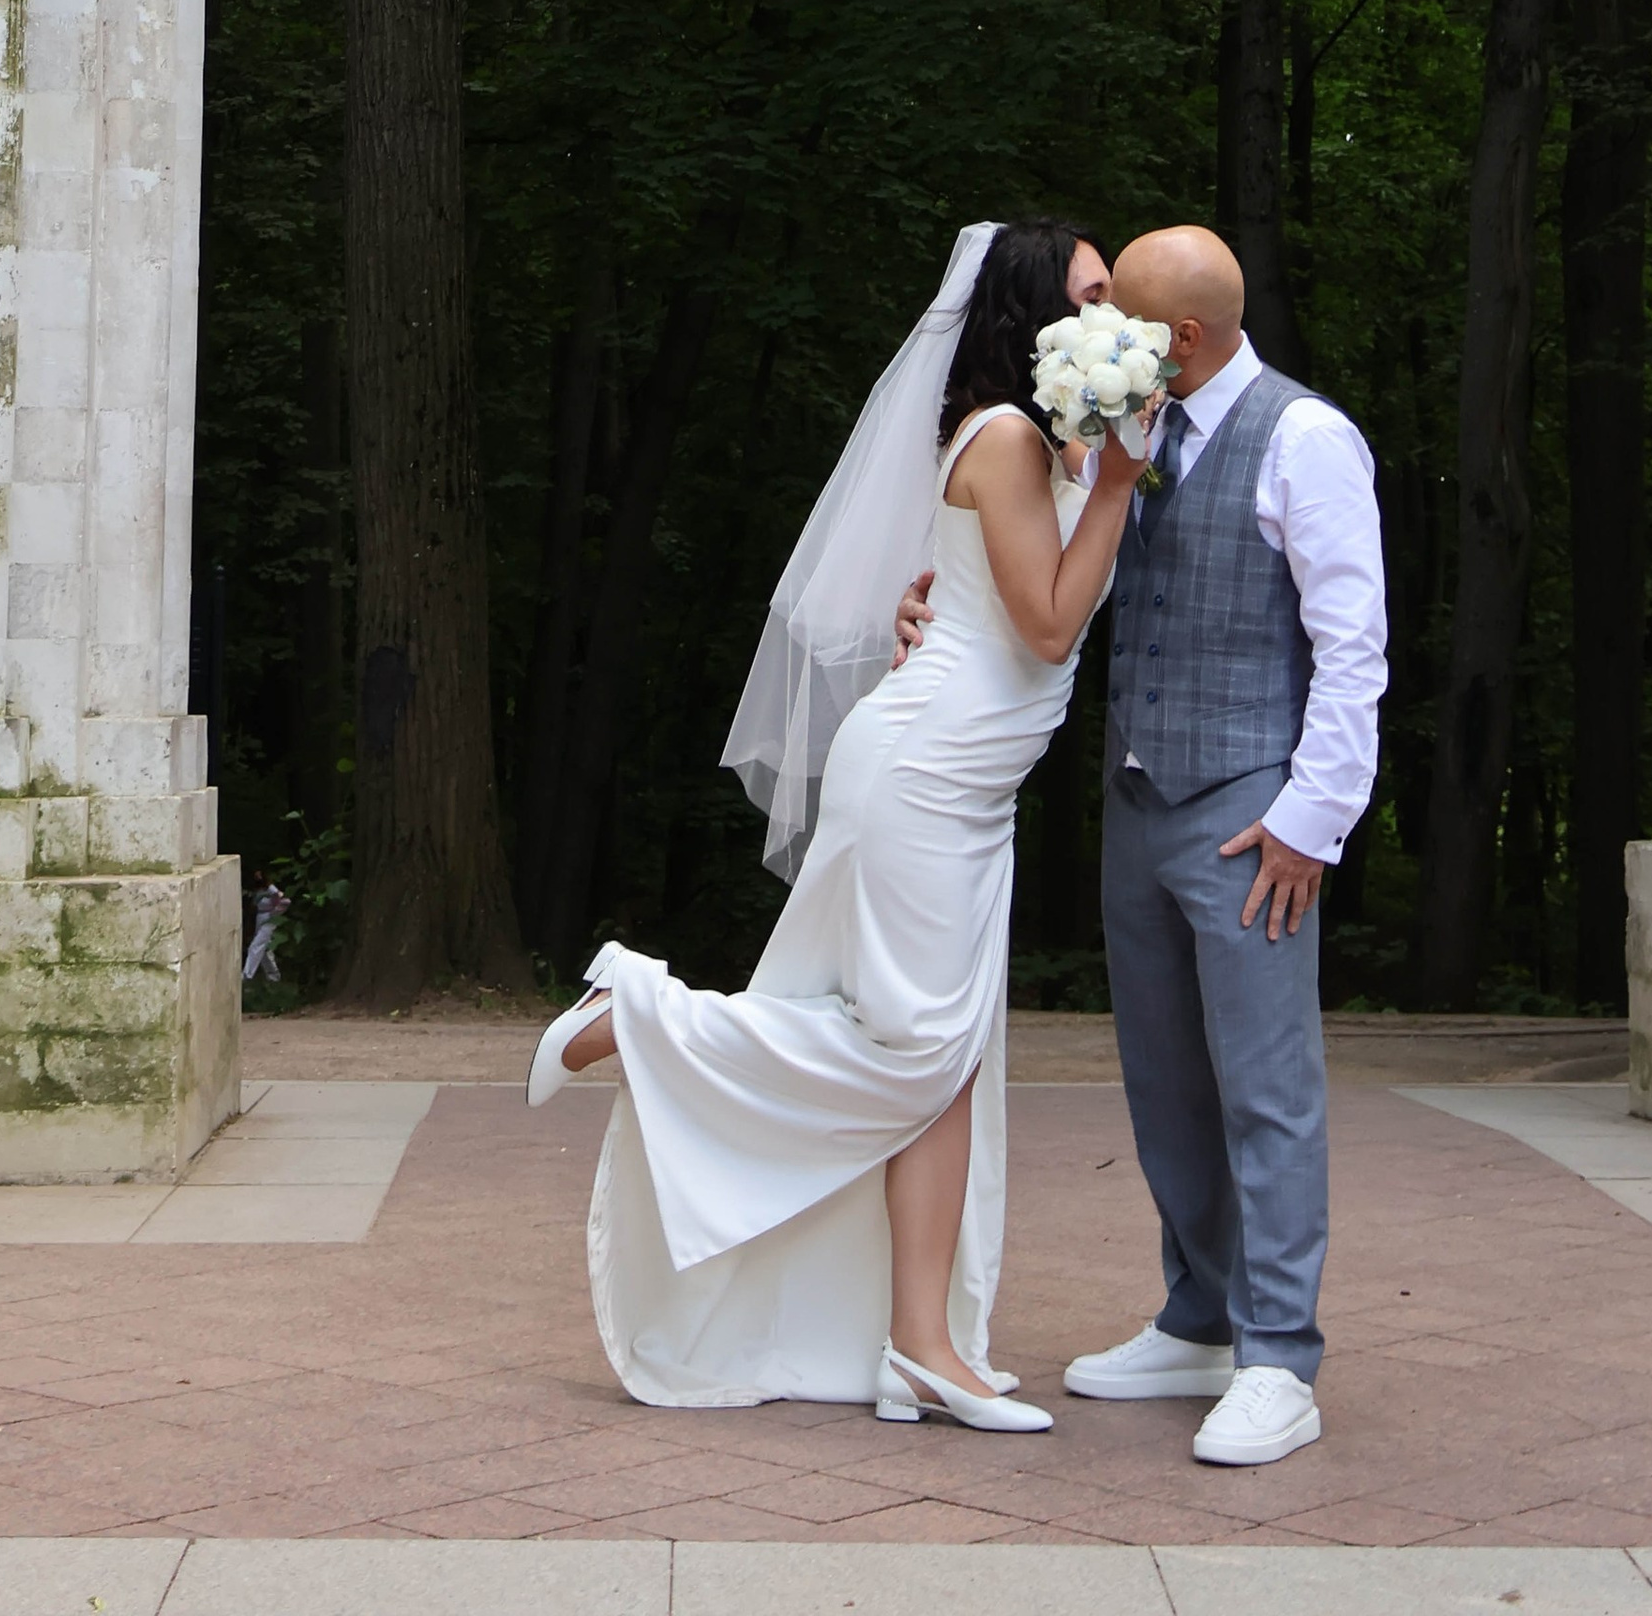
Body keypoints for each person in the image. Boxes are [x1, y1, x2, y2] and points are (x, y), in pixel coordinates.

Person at [526, 218, 1132, 1427]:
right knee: (911, 1048)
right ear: (1029, 314)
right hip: (925, 777)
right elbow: (1052, 625)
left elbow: (976, 596)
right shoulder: (1012, 435)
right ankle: (640, 1019)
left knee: (942, 1061)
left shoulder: (1034, 444)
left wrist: (1087, 481)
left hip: (966, 788)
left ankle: (924, 1347)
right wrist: (1116, 481)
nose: (1109, 314)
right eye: (1090, 293)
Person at [896, 221, 1386, 1468]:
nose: (1096, 334)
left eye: (1123, 318)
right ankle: (1197, 1315)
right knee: (1163, 1078)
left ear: (1181, 339)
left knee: (1266, 1087)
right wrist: (931, 601)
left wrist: (1307, 823)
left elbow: (1352, 651)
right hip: (1138, 796)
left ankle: (1279, 1355)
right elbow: (1044, 575)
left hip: (1251, 812)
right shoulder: (1125, 424)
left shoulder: (1306, 438)